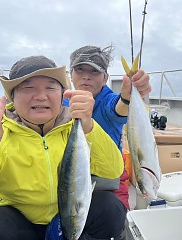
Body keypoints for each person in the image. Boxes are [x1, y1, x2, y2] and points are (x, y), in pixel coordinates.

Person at [0, 55, 126, 240]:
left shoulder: (76, 126)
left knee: (110, 208)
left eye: (50, 88)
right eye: (28, 88)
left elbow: (113, 170)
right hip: (19, 223)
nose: (41, 96)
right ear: (12, 96)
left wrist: (88, 126)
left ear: (62, 94)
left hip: (66, 218)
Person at [63, 45, 151, 209]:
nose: (86, 77)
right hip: (73, 176)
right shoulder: (63, 103)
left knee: (114, 216)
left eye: (94, 72)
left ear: (105, 78)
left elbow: (119, 107)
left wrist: (127, 96)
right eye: (80, 69)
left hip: (109, 181)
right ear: (71, 75)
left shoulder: (108, 100)